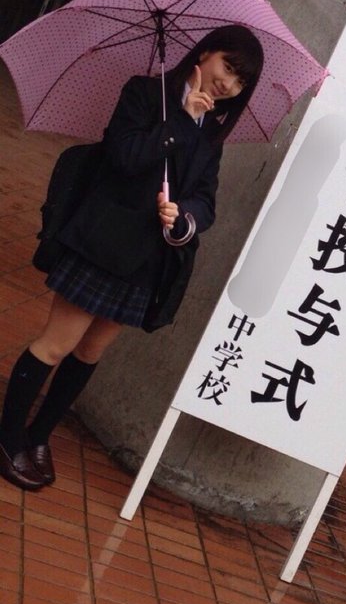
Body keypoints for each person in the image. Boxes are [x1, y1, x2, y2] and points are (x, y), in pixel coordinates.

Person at [0, 25, 264, 491]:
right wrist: (180, 119)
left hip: (146, 260)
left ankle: (39, 435)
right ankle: (7, 438)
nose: (228, 83)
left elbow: (206, 199)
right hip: (102, 243)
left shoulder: (211, 135)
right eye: (228, 66)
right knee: (56, 343)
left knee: (90, 351)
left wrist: (184, 216)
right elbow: (122, 157)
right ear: (205, 53)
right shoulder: (145, 94)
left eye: (241, 80)